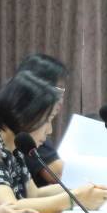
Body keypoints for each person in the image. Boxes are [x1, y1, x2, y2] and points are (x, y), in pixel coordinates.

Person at [0, 72, 107, 213]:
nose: (50, 130)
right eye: (48, 119)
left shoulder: (14, 142)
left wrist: (83, 190)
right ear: (26, 114)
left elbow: (34, 194)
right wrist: (76, 198)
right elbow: (8, 208)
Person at [16, 52, 70, 187]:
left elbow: (32, 193)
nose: (61, 100)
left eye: (62, 91)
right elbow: (58, 174)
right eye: (57, 90)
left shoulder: (36, 125)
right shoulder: (27, 128)